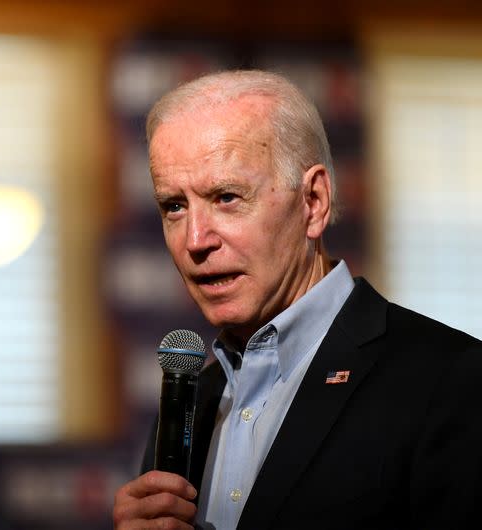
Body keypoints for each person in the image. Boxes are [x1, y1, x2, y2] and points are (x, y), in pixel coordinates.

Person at [112, 70, 482, 530]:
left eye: (227, 197)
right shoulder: (191, 403)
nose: (195, 240)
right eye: (174, 206)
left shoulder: (450, 380)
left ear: (314, 201)